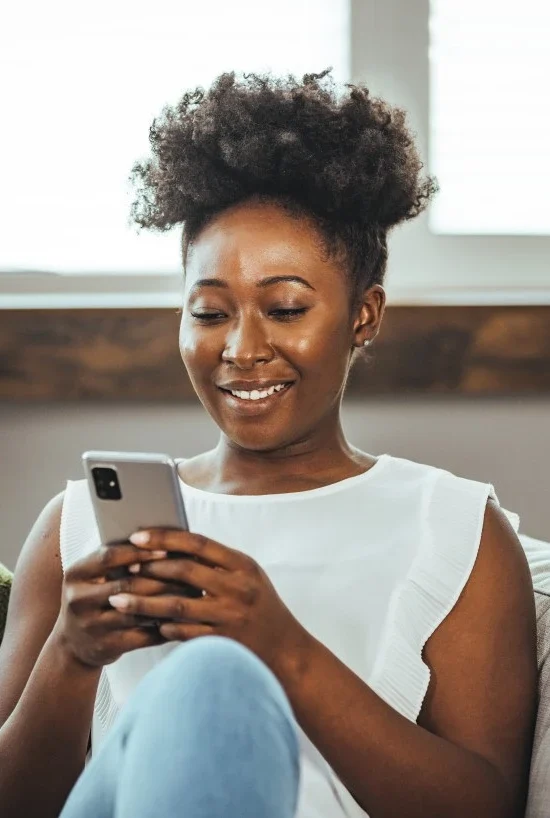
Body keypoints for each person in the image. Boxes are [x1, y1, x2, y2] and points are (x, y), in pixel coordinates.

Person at [0, 68, 538, 818]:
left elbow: (487, 808)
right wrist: (70, 653)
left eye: (285, 308)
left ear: (364, 315)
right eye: (210, 311)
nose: (242, 348)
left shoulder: (454, 532)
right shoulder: (77, 529)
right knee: (205, 683)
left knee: (212, 677)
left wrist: (282, 648)